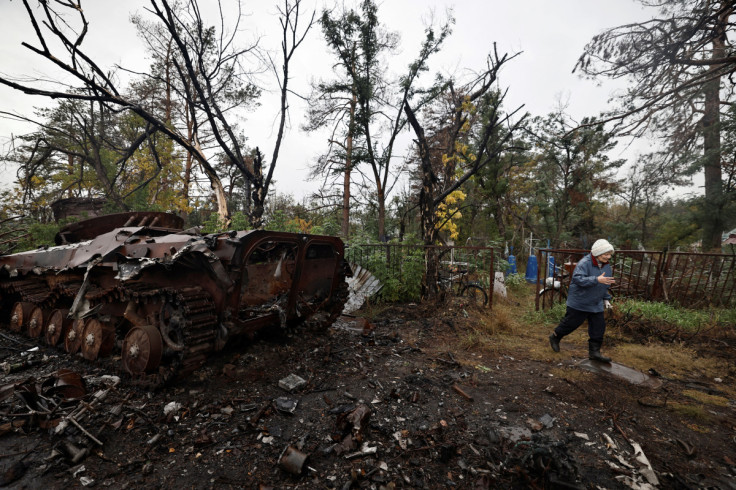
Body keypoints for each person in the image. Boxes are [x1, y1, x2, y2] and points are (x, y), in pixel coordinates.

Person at [548, 239, 615, 362]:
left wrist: (606, 299)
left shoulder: (606, 265)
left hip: (596, 303)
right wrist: (596, 279)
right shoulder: (585, 263)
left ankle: (594, 353)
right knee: (570, 324)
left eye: (610, 254)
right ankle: (555, 337)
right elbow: (578, 279)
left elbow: (605, 283)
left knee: (598, 328)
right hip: (580, 302)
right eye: (606, 254)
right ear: (598, 253)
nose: (608, 257)